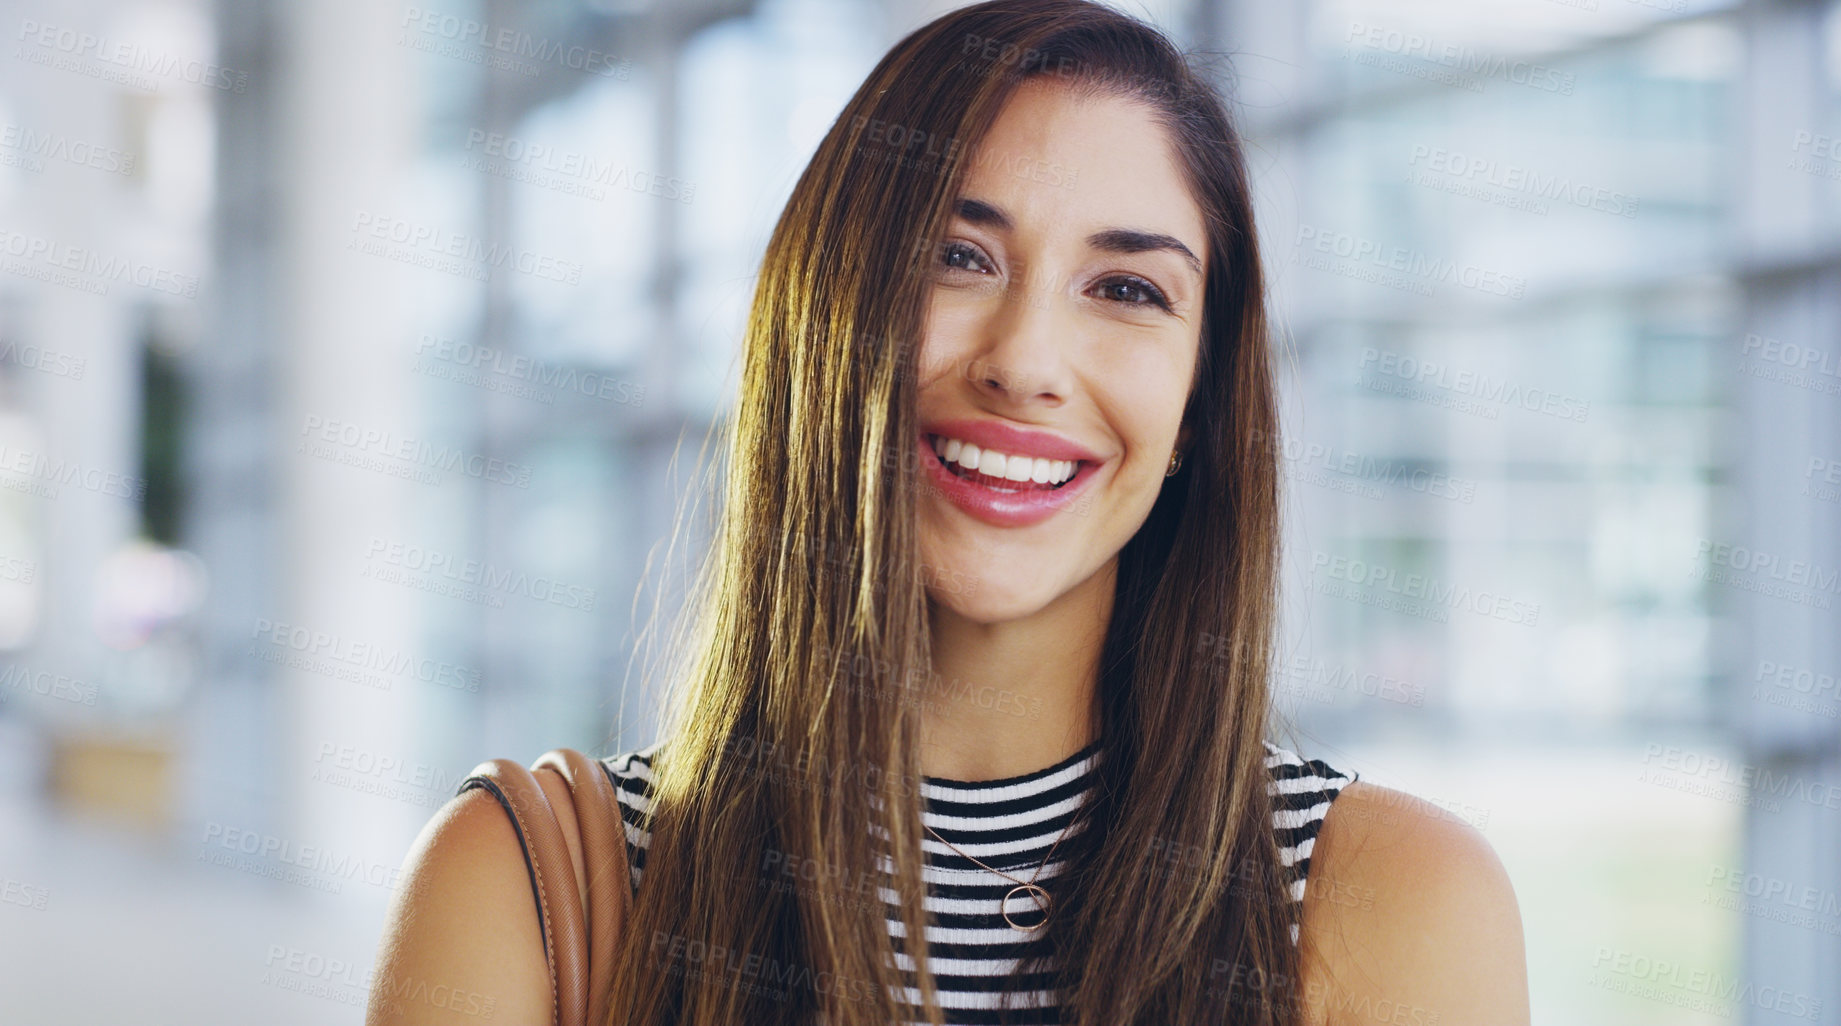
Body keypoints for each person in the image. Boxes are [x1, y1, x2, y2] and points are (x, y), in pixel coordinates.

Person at [367, 2, 1528, 1023]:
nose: (1026, 362)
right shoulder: (527, 887)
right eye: (956, 257)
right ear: (827, 321)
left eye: (1127, 290)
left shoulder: (1391, 900)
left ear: (1197, 410)